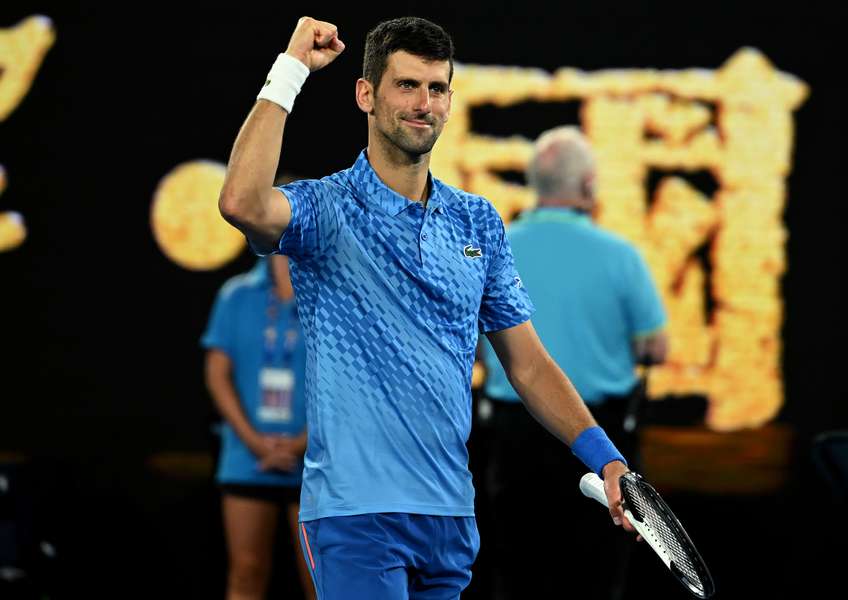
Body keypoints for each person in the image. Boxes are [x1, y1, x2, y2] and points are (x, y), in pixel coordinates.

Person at [218, 16, 636, 599]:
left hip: (448, 517)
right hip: (355, 515)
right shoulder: (325, 209)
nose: (424, 104)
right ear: (366, 94)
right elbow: (240, 201)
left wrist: (607, 460)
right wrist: (289, 71)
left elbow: (529, 365)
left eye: (437, 88)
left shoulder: (477, 221)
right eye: (407, 85)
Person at [479, 125, 668, 599]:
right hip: (602, 437)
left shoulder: (494, 249)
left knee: (517, 573)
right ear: (588, 186)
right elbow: (656, 349)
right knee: (598, 576)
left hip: (513, 434)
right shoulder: (621, 256)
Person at [202, 253, 317, 600]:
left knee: (321, 578)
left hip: (314, 461)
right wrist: (254, 441)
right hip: (246, 458)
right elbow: (217, 374)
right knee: (246, 571)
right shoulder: (235, 295)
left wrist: (302, 442)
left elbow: (347, 379)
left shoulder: (329, 293)